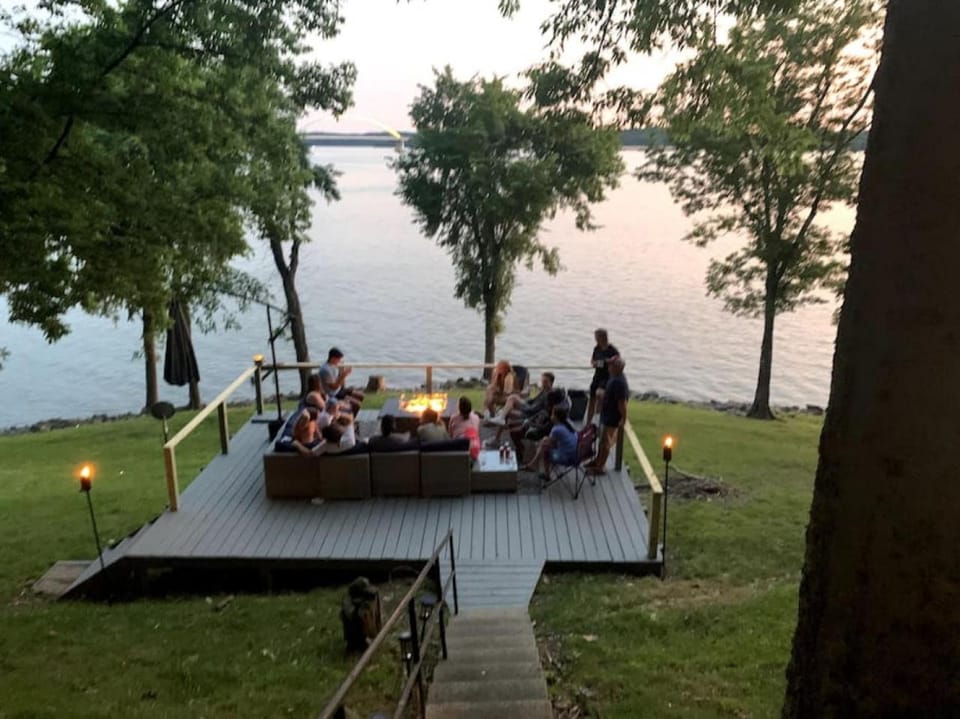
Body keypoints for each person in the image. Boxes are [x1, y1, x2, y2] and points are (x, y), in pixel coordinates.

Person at [586, 356, 628, 475]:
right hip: (606, 413)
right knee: (602, 441)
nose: (608, 367)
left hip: (612, 417)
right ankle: (597, 461)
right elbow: (611, 395)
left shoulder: (619, 382)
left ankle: (600, 467)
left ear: (617, 367)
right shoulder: (613, 378)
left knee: (605, 443)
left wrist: (623, 419)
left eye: (611, 365)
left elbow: (622, 403)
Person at [524, 406, 578, 476]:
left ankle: (546, 474)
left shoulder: (556, 429)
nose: (551, 415)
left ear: (556, 417)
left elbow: (551, 443)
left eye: (552, 414)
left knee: (545, 449)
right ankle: (532, 464)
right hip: (576, 454)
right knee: (544, 441)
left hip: (566, 458)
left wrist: (541, 443)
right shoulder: (568, 425)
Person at [586, 329, 620, 425]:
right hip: (597, 376)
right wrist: (597, 363)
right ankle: (588, 422)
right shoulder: (596, 348)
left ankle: (596, 421)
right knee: (592, 397)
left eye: (597, 337)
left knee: (600, 396)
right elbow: (593, 361)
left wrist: (609, 362)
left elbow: (617, 362)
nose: (596, 339)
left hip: (607, 377)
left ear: (603, 337)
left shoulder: (612, 350)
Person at [319, 347, 364, 413]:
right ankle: (350, 419)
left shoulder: (334, 366)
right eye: (338, 359)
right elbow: (334, 387)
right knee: (357, 404)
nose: (339, 361)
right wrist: (343, 375)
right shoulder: (325, 370)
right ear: (333, 358)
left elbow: (339, 382)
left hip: (340, 390)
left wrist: (342, 374)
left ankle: (350, 415)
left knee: (361, 395)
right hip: (333, 394)